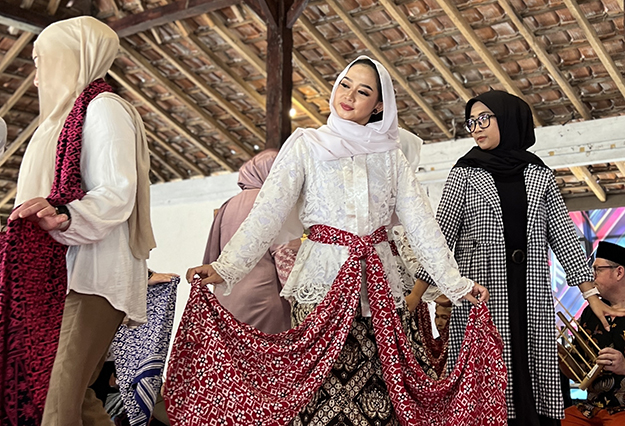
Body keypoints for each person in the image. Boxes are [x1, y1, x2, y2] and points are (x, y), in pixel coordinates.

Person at [170, 56, 501, 426]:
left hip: (379, 290)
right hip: (321, 285)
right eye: (345, 84)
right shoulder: (307, 144)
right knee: (316, 397)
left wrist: (455, 284)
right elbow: (268, 212)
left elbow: (422, 225)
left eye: (363, 92)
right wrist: (224, 267)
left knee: (379, 397)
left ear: (378, 105)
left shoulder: (391, 155)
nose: (349, 96)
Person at [415, 90, 624, 426]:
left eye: (484, 119)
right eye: (471, 122)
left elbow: (564, 236)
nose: (476, 128)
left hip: (530, 295)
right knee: (485, 385)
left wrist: (590, 295)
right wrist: (415, 295)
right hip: (481, 298)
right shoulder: (464, 174)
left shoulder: (539, 174)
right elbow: (440, 239)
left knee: (531, 379)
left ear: (509, 119)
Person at [5, 16, 155, 426]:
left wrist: (66, 215)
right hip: (60, 276)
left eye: (43, 62)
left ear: (74, 58)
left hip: (91, 276)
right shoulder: (59, 122)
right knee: (76, 401)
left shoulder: (103, 109)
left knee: (55, 401)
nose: (36, 80)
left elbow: (116, 193)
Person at [203, 148, 291, 334]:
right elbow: (286, 255)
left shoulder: (227, 205)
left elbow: (213, 257)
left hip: (226, 299)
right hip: (265, 298)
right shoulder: (272, 202)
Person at [561, 241, 625, 425]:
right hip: (590, 409)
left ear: (619, 272)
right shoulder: (590, 312)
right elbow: (578, 375)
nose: (591, 275)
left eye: (598, 269)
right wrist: (560, 356)